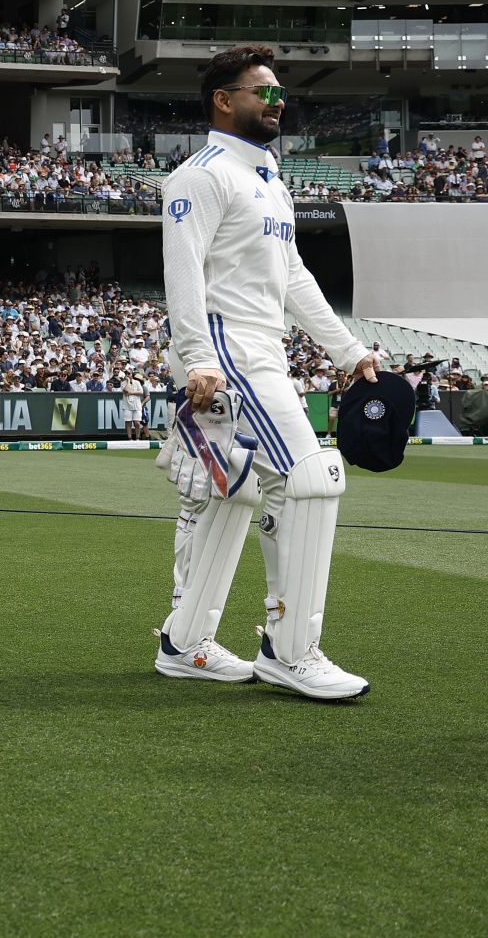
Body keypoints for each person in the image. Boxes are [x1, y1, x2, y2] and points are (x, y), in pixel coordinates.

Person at [156, 45, 380, 700]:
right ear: (225, 100)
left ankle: (185, 641)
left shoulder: (271, 181)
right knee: (308, 478)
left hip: (259, 348)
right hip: (227, 352)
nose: (277, 102)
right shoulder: (200, 174)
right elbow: (183, 270)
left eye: (280, 93)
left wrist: (348, 350)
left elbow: (295, 278)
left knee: (229, 492)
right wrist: (198, 357)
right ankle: (290, 649)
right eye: (265, 93)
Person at [121, 365, 147, 441]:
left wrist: (131, 392)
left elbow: (141, 392)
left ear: (132, 374)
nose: (127, 375)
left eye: (129, 373)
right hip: (127, 405)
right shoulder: (123, 383)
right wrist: (128, 381)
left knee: (137, 423)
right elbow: (126, 391)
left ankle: (137, 438)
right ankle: (129, 438)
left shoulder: (137, 382)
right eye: (126, 374)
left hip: (137, 405)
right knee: (128, 423)